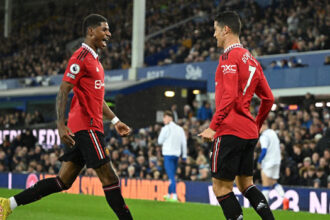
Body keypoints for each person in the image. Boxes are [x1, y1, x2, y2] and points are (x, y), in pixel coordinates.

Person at [0, 14, 133, 220]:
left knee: (63, 181)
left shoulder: (96, 61)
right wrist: (60, 125)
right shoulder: (80, 58)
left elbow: (98, 99)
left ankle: (8, 204)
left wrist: (115, 121)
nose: (109, 33)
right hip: (87, 127)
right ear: (91, 31)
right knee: (109, 177)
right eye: (104, 29)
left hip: (89, 126)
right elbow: (63, 91)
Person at [198, 11, 275, 220]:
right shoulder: (253, 61)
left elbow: (230, 96)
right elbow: (269, 99)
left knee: (221, 188)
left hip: (229, 130)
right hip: (248, 132)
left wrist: (213, 127)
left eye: (215, 30)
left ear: (226, 29)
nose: (214, 35)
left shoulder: (228, 57)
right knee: (245, 184)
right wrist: (256, 125)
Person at [258, 122, 289, 209]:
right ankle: (284, 198)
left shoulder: (264, 136)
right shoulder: (273, 132)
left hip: (268, 162)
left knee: (265, 183)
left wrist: (259, 161)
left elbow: (264, 150)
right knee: (273, 182)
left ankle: (265, 205)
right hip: (277, 161)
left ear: (264, 126)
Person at [158, 111, 187, 202]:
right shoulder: (180, 129)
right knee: (172, 175)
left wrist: (165, 138)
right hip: (176, 156)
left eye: (164, 117)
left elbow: (159, 141)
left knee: (171, 177)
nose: (163, 120)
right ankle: (168, 194)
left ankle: (174, 196)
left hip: (168, 155)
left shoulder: (166, 128)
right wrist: (184, 155)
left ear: (170, 118)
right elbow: (184, 143)